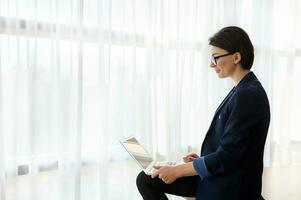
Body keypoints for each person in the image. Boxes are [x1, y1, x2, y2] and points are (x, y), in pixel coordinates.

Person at [136, 26, 270, 200]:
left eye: (215, 58)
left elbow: (228, 156)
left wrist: (178, 171)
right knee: (148, 177)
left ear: (236, 57)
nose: (211, 64)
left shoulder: (247, 94)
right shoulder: (242, 90)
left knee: (147, 180)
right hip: (221, 177)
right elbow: (234, 148)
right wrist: (200, 161)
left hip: (230, 187)